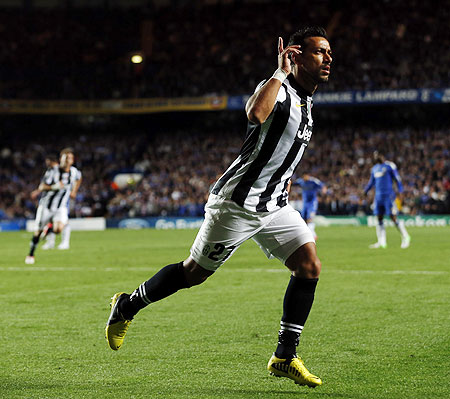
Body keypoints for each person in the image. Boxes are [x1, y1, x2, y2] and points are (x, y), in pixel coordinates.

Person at [106, 26, 332, 388]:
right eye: (320, 52)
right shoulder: (280, 89)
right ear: (297, 55)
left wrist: (285, 178)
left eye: (329, 53)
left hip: (275, 205)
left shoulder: (308, 104)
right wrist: (279, 72)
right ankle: (127, 305)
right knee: (194, 273)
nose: (328, 59)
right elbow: (255, 114)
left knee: (309, 265)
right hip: (237, 205)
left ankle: (284, 357)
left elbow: (280, 152)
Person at [25, 148, 82, 264]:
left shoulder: (74, 172)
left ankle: (49, 227)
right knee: (37, 232)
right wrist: (55, 186)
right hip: (46, 206)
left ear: (72, 161)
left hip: (60, 207)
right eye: (65, 158)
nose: (67, 161)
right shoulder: (52, 171)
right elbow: (42, 187)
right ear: (60, 159)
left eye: (70, 158)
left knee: (58, 229)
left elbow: (79, 178)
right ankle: (31, 254)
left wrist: (74, 191)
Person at [364, 151, 410, 249]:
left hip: (388, 196)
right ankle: (381, 242)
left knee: (393, 217)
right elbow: (371, 182)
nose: (377, 157)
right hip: (378, 197)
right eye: (375, 156)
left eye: (378, 155)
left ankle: (405, 237)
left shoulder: (390, 166)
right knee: (379, 218)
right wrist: (365, 191)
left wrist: (401, 191)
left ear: (382, 156)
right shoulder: (374, 169)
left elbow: (397, 179)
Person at [292, 174, 326, 239]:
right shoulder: (301, 181)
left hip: (312, 203)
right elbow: (294, 183)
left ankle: (313, 234)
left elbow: (322, 185)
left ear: (308, 176)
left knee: (310, 218)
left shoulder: (313, 181)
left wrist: (324, 190)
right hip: (305, 203)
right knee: (304, 219)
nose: (305, 178)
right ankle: (307, 234)